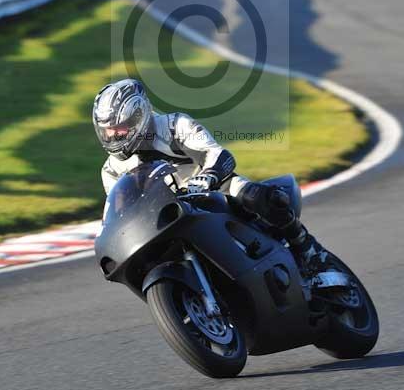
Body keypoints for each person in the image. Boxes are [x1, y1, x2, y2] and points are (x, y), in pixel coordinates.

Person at [92, 78, 333, 275]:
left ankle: (307, 248)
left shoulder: (175, 126)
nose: (113, 136)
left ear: (138, 117)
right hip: (163, 216)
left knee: (258, 196)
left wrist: (208, 177)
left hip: (212, 190)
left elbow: (218, 155)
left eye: (119, 129)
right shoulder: (111, 170)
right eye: (107, 131)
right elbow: (118, 213)